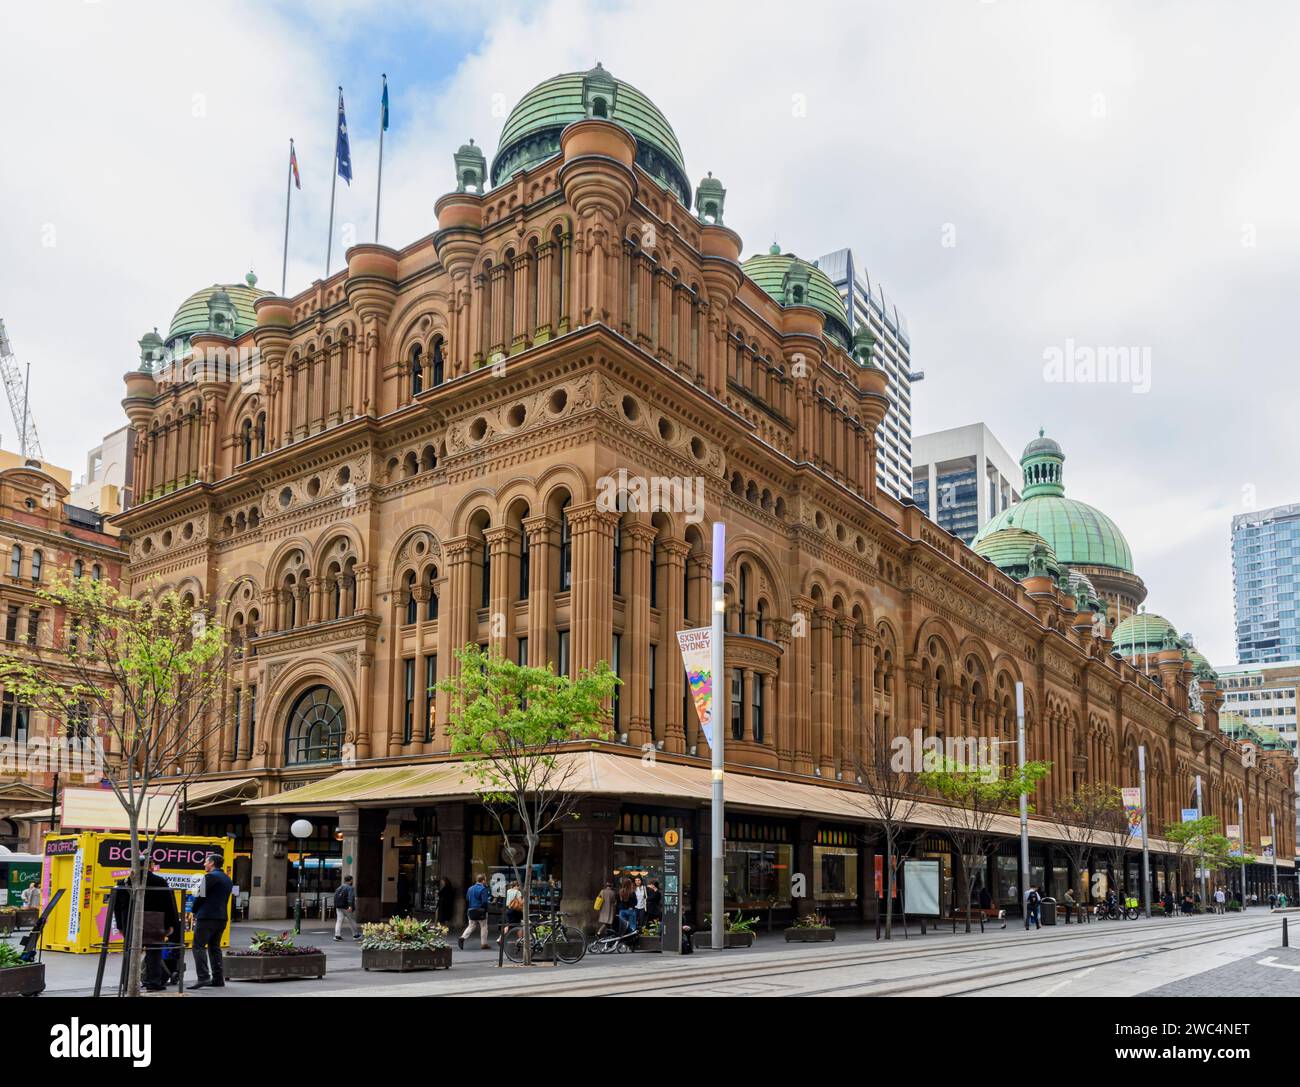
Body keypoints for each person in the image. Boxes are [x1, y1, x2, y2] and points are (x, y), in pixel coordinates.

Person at [191, 854, 233, 989]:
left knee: (198, 946)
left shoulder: (210, 877)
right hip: (221, 918)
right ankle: (218, 978)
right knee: (214, 947)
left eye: (206, 862)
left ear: (212, 863)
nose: (204, 864)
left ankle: (203, 977)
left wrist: (193, 910)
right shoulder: (227, 879)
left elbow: (199, 896)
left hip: (207, 917)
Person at [142, 863, 180, 992]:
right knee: (154, 953)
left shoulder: (125, 881)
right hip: (154, 920)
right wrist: (171, 924)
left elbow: (119, 906)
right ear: (151, 867)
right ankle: (153, 982)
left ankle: (126, 981)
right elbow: (168, 905)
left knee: (130, 951)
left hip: (132, 920)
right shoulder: (159, 881)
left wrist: (121, 924)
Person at [460, 874, 491, 950]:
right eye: (485, 880)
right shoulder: (483, 889)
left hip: (471, 910)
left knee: (471, 926)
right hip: (481, 911)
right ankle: (484, 944)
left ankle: (462, 937)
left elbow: (467, 899)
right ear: (483, 880)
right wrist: (485, 909)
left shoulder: (470, 888)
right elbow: (484, 902)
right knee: (484, 927)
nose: (485, 881)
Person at [333, 875, 360, 941]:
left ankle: (337, 935)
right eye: (352, 880)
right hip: (346, 907)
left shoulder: (339, 887)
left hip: (339, 907)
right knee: (351, 920)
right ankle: (355, 935)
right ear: (350, 880)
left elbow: (335, 897)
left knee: (339, 921)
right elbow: (350, 898)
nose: (352, 881)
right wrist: (350, 906)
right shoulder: (350, 888)